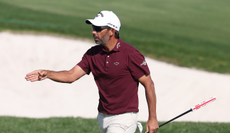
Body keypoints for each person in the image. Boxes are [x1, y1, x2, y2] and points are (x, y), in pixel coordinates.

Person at [25, 10, 159, 133]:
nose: (93, 32)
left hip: (124, 118)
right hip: (103, 116)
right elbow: (71, 75)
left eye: (98, 29)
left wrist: (152, 118)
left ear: (112, 31)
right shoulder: (92, 54)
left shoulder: (130, 54)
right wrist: (48, 73)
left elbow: (149, 84)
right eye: (93, 28)